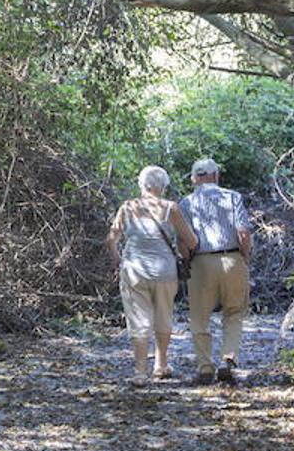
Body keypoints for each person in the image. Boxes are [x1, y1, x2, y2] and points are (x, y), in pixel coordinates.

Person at [106, 165, 198, 385]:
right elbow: (192, 240)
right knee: (163, 316)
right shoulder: (170, 208)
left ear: (141, 184)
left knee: (139, 320)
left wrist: (118, 259)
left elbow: (111, 239)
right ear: (163, 186)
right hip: (165, 271)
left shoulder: (127, 207)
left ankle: (139, 371)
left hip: (134, 271)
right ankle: (160, 365)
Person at [177, 157, 252, 385]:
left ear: (193, 179)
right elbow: (243, 233)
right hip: (232, 258)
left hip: (201, 262)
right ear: (216, 176)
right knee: (234, 312)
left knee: (199, 317)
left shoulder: (186, 203)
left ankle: (205, 368)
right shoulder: (232, 197)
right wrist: (245, 256)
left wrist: (186, 261)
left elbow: (183, 240)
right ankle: (228, 358)